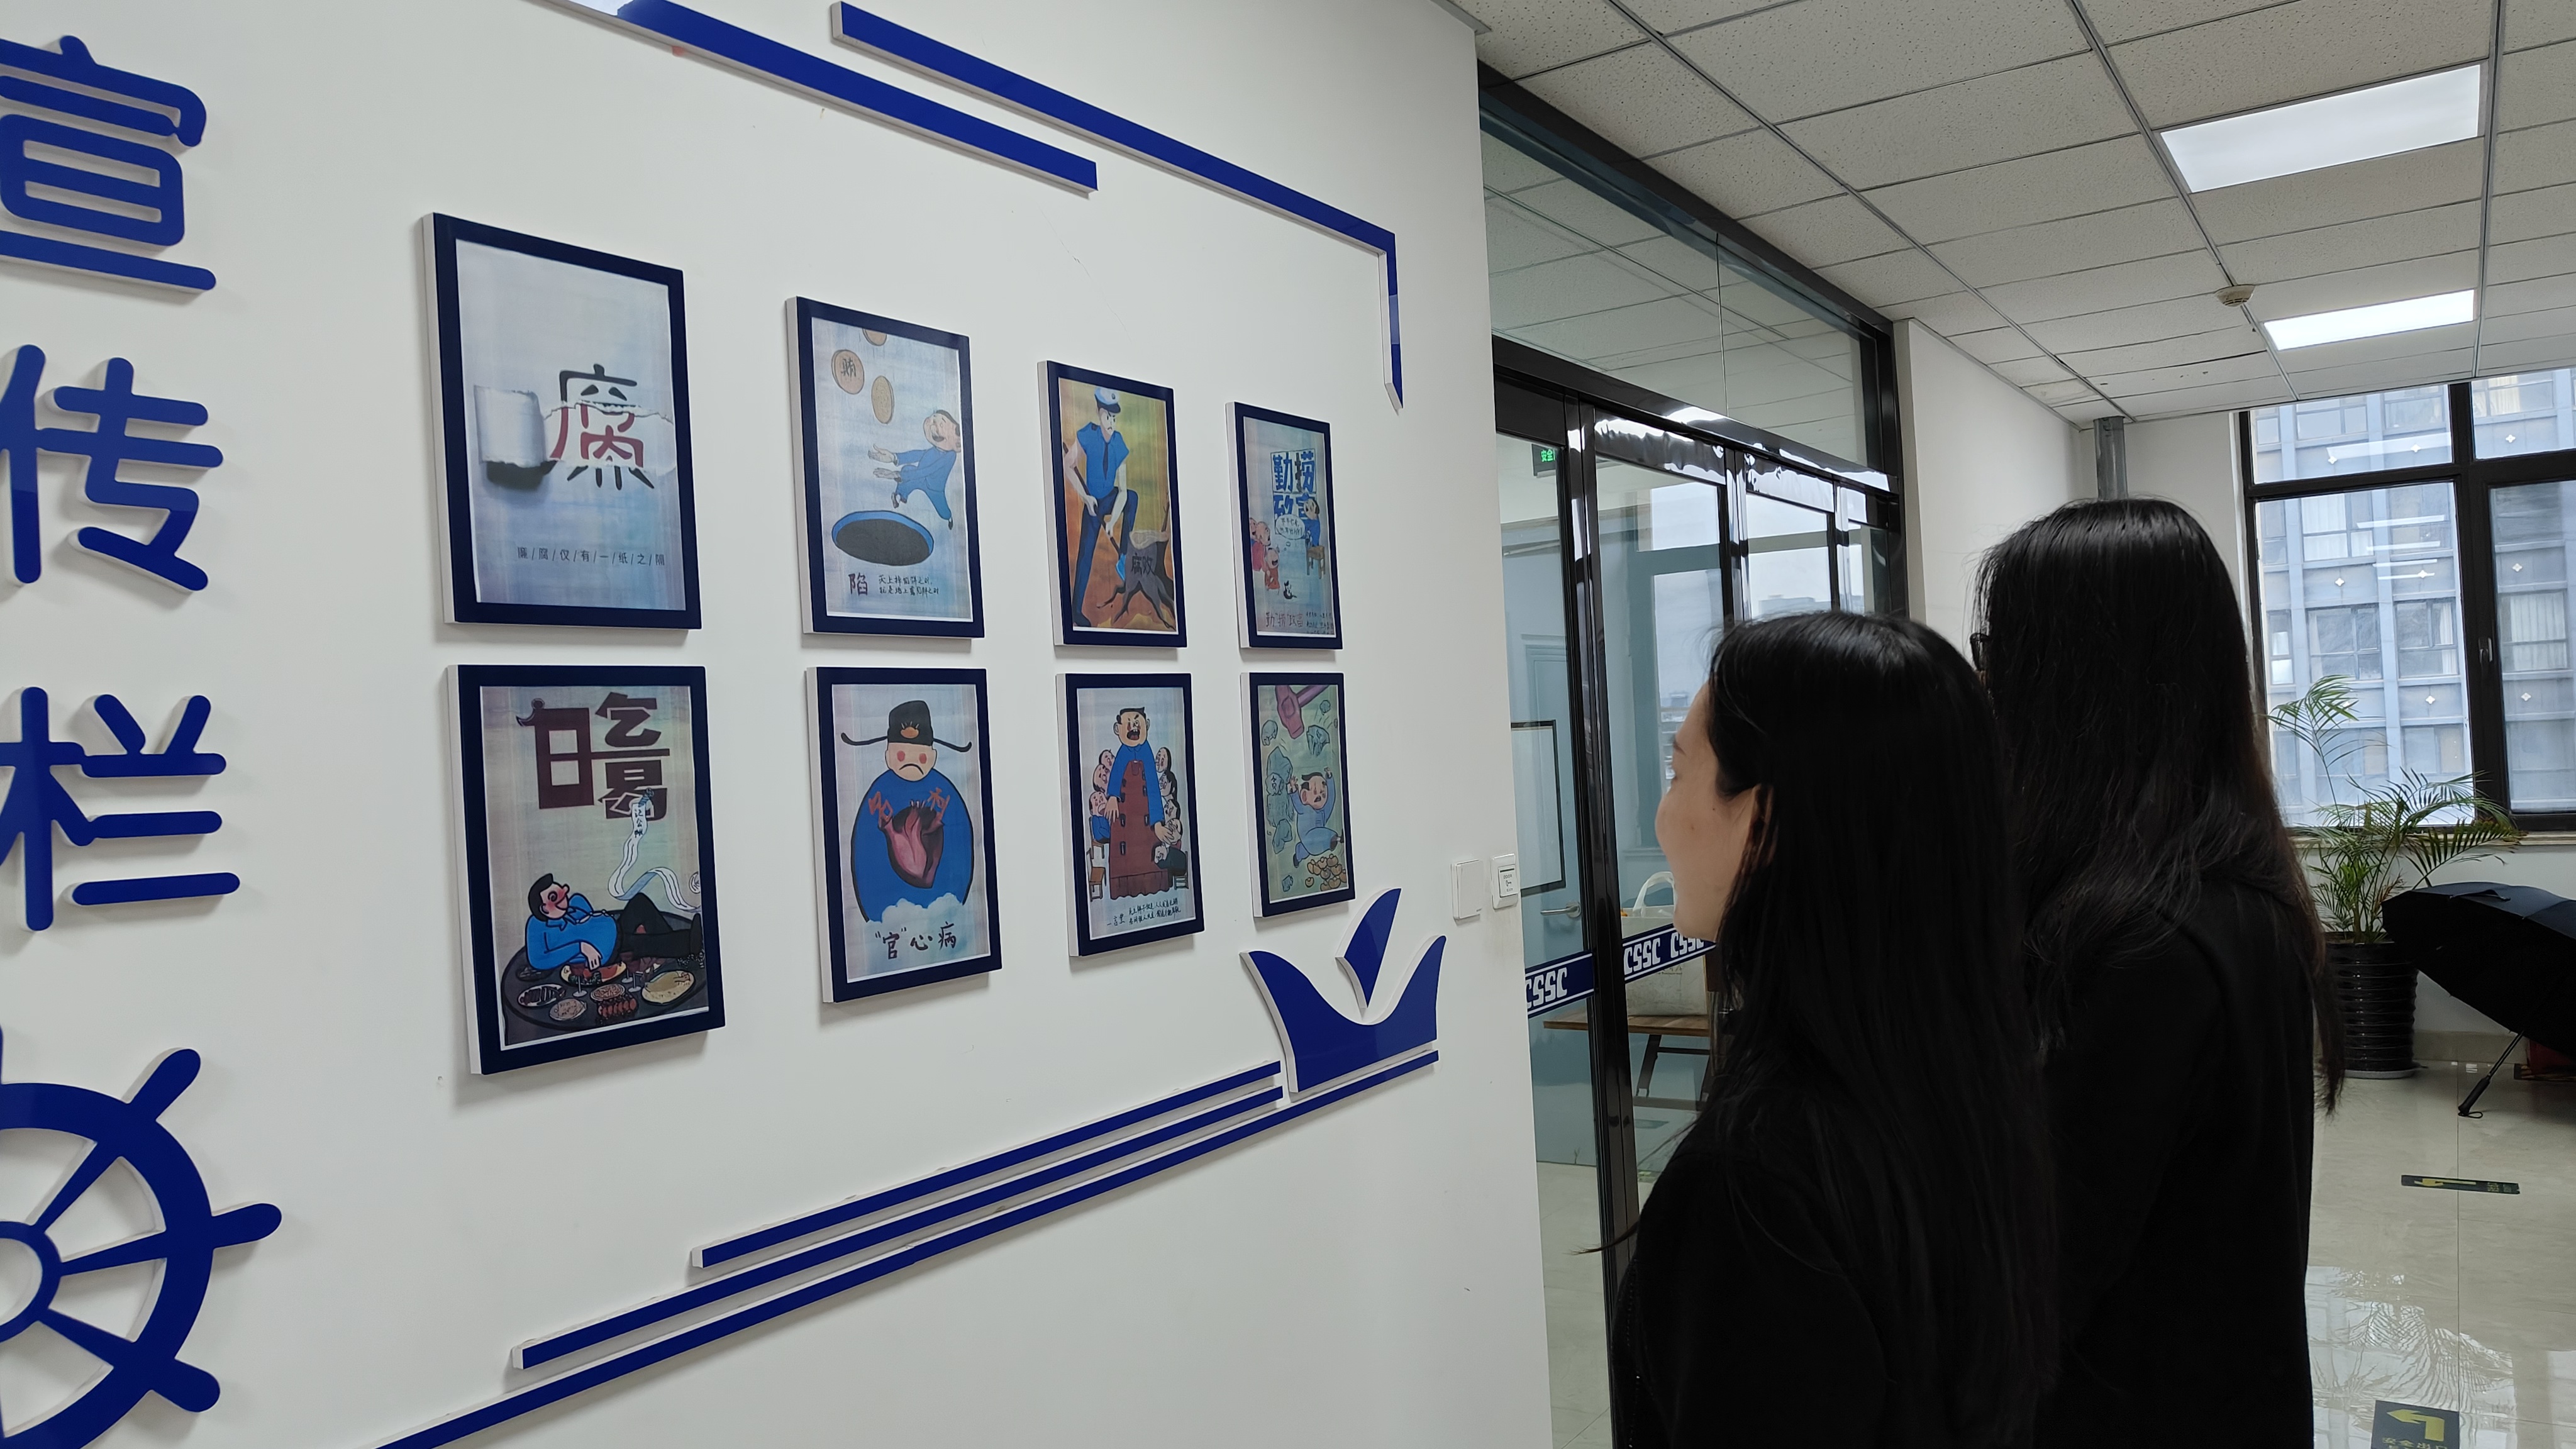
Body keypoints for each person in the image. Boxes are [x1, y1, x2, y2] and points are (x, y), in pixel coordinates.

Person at [1614, 611, 2056, 1446]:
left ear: (1763, 823)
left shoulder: (1753, 1185)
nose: (1661, 814)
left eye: (1678, 773)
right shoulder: (1965, 1078)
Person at [1975, 497, 2338, 1441]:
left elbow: (2031, 1279)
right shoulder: (2233, 897)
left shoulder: (2142, 949)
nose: (1987, 686)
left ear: (2072, 683)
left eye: (1998, 653)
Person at [1063, 387, 1137, 617]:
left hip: (1110, 499)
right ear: (1099, 413)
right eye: (1108, 416)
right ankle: (1076, 611)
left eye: (1114, 418)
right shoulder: (1089, 434)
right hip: (1093, 502)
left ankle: (1123, 555)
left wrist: (1113, 521)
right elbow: (1068, 465)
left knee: (1133, 497)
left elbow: (1123, 492)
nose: (1111, 422)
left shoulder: (1119, 442)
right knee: (1085, 555)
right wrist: (1085, 497)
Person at [871, 409, 963, 525]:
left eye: (941, 424)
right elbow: (917, 455)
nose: (931, 421)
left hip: (934, 488)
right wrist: (894, 457)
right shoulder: (934, 450)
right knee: (907, 470)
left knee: (943, 510)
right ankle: (900, 496)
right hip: (920, 478)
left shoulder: (950, 456)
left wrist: (897, 474)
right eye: (933, 418)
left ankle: (949, 518)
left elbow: (928, 471)